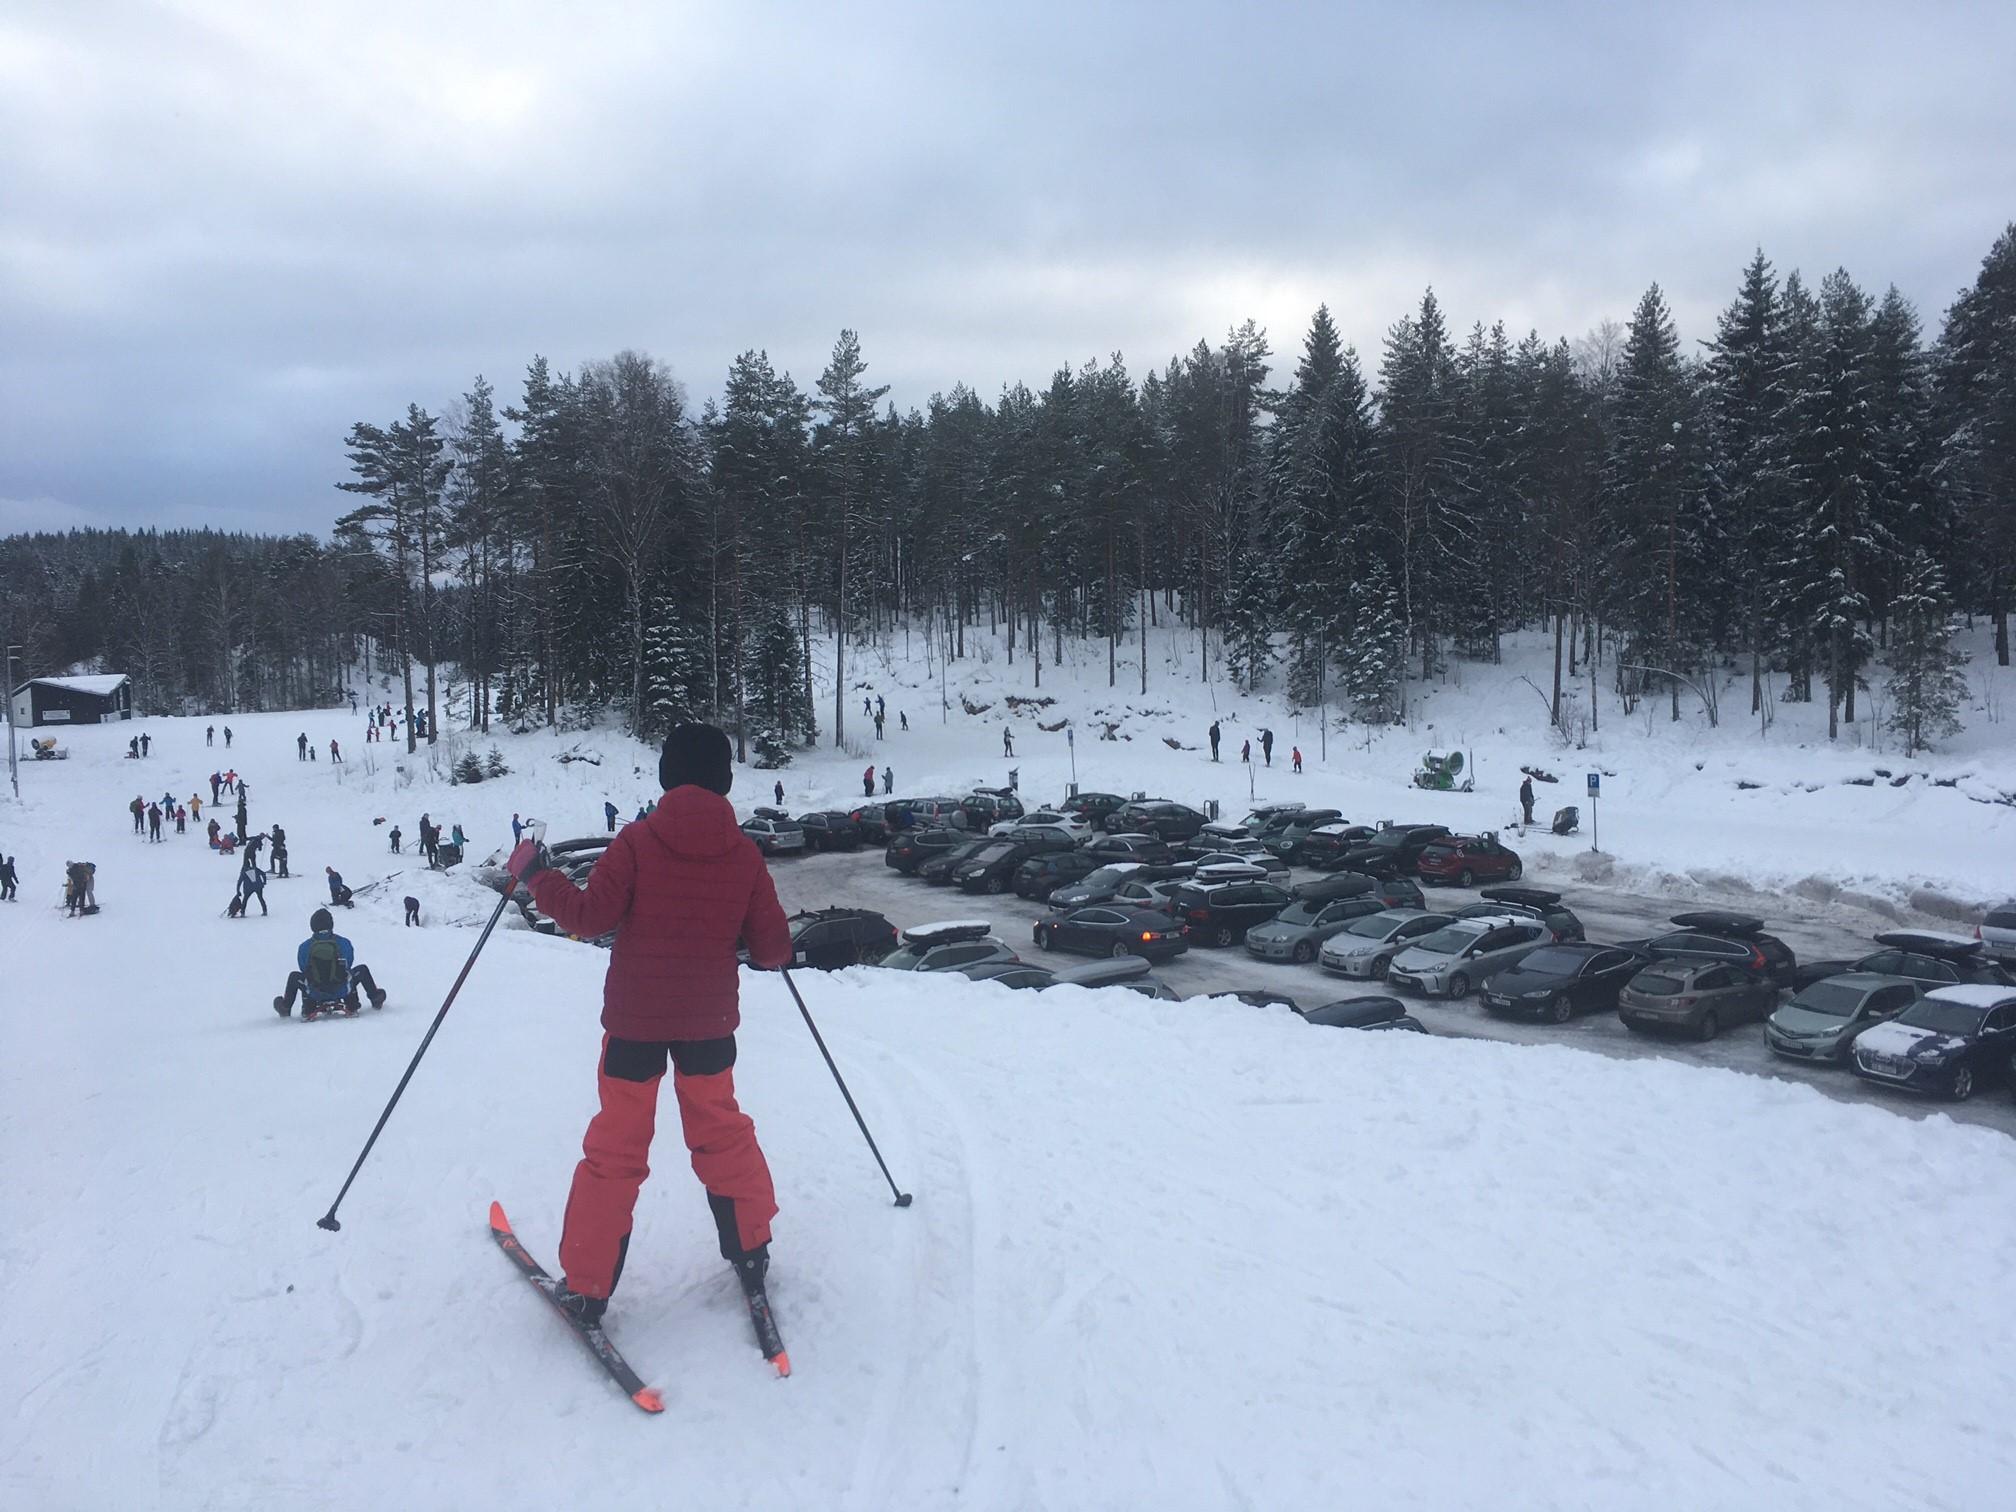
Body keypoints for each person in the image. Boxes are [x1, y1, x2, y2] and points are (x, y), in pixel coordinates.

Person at [514, 722, 791, 1328]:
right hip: (709, 1023)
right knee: (722, 1130)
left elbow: (589, 918)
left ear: (668, 776)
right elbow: (773, 951)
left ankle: (587, 1286)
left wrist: (537, 876)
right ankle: (751, 1251)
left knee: (616, 1146)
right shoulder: (743, 852)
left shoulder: (638, 842)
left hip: (635, 1024)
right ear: (723, 780)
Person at [273, 907, 386, 1019]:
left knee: (294, 976)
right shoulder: (344, 943)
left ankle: (286, 1007)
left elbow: (304, 968)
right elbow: (349, 964)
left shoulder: (305, 947)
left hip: (314, 991)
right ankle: (375, 998)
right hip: (342, 989)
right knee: (362, 969)